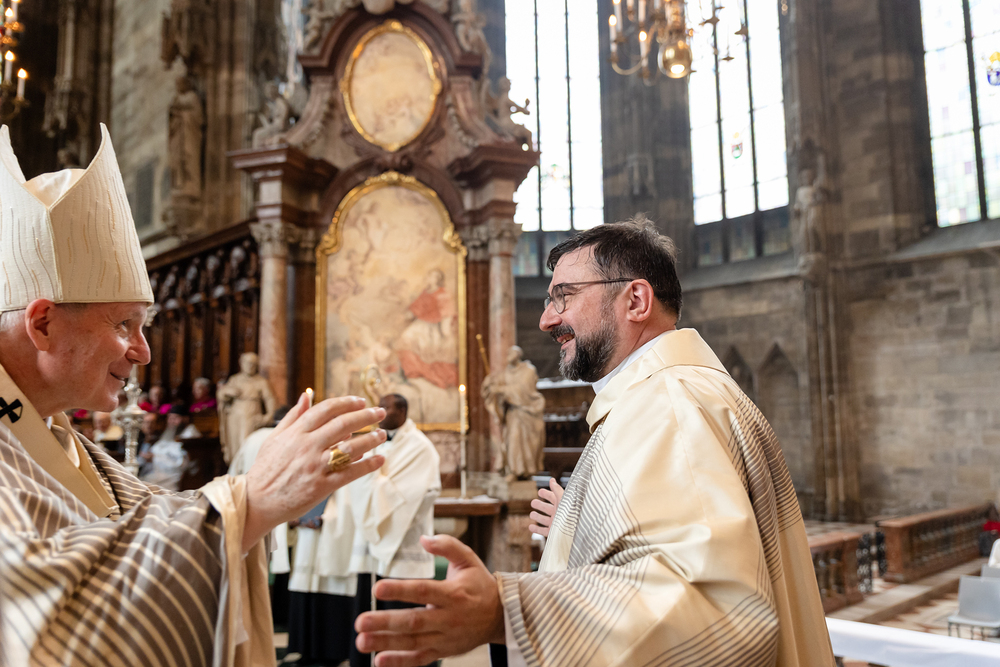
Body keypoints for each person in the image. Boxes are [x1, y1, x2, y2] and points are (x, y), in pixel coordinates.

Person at [356, 217, 835, 666]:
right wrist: (579, 525)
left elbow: (716, 611)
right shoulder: (672, 394)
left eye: (563, 296)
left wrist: (504, 611)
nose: (546, 320)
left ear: (636, 301)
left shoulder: (668, 404)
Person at [0, 123, 389, 666]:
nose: (143, 352)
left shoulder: (54, 431)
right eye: (124, 324)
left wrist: (257, 499)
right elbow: (42, 613)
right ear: (42, 324)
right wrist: (249, 503)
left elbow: (141, 526)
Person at [481, 345, 545, 478]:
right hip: (512, 413)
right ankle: (514, 470)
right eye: (508, 353)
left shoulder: (528, 370)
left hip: (527, 412)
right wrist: (489, 384)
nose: (509, 356)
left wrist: (500, 389)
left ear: (518, 355)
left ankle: (522, 472)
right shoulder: (506, 373)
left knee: (521, 442)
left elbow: (523, 391)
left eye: (512, 353)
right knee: (511, 441)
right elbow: (494, 384)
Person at [217, 351, 278, 464]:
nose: (250, 366)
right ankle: (235, 468)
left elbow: (270, 399)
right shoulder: (235, 379)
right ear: (242, 363)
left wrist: (269, 415)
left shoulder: (261, 381)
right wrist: (227, 392)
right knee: (234, 444)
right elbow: (222, 395)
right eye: (248, 363)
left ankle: (245, 468)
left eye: (253, 364)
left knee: (246, 443)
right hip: (234, 417)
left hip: (251, 414)